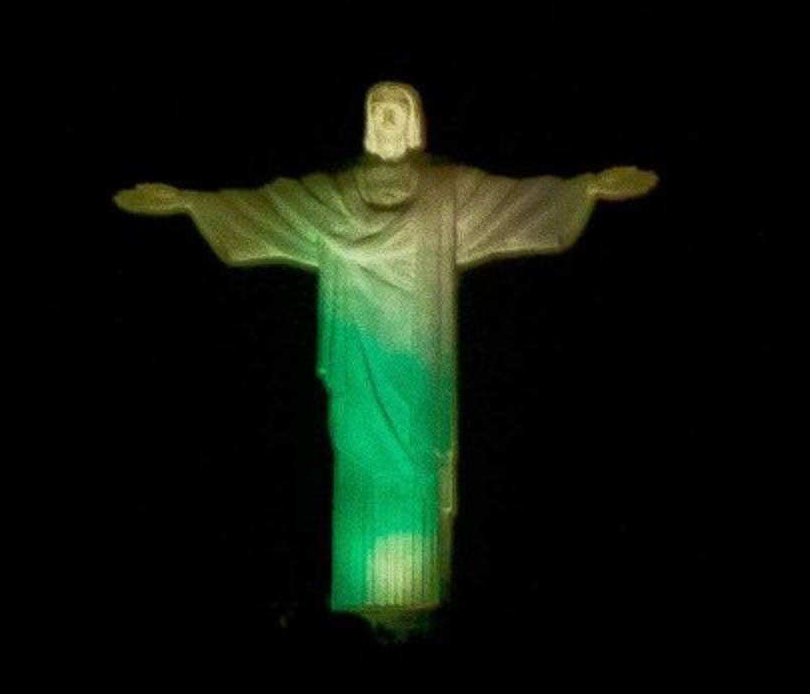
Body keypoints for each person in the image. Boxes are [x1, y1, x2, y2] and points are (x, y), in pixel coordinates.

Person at [114, 81, 657, 635]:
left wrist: (583, 188)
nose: (388, 120)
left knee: (419, 459)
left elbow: (515, 202)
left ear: (415, 123)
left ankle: (413, 606)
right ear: (369, 124)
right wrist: (192, 202)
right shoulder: (334, 197)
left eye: (398, 112)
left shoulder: (447, 194)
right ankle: (369, 608)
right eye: (379, 111)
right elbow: (270, 206)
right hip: (359, 359)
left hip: (418, 364)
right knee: (358, 453)